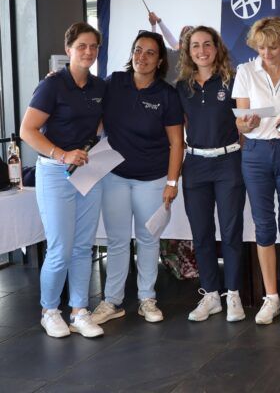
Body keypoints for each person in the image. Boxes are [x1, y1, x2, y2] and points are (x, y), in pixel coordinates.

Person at [91, 30, 184, 325]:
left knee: (147, 238)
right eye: (137, 50)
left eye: (150, 53)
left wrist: (172, 182)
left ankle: (147, 298)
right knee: (117, 240)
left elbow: (177, 143)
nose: (142, 57)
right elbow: (90, 109)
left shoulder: (166, 95)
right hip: (114, 176)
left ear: (160, 61)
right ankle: (112, 301)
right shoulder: (114, 83)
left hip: (152, 178)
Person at [20, 22, 106, 338]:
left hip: (88, 172)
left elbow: (99, 124)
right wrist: (62, 154)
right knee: (60, 248)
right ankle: (50, 310)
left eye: (93, 46)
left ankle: (79, 311)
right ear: (68, 49)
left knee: (83, 245)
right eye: (82, 46)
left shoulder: (99, 87)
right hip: (55, 173)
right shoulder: (52, 85)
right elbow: (27, 130)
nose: (88, 51)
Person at [232, 17, 280, 325]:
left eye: (273, 47)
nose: (266, 53)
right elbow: (240, 121)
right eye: (261, 47)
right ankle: (271, 297)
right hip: (255, 153)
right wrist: (246, 123)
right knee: (263, 226)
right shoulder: (245, 71)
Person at [175, 26, 247, 323]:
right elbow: (179, 127)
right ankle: (211, 295)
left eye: (207, 44)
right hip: (195, 166)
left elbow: (244, 125)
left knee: (230, 232)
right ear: (188, 52)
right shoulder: (182, 87)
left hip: (228, 163)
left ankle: (233, 294)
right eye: (195, 45)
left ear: (217, 48)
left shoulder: (233, 80)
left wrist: (235, 151)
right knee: (201, 233)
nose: (202, 50)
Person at [148, 11, 191, 82]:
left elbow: (154, 46)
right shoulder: (195, 61)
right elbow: (171, 40)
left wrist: (154, 24)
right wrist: (157, 22)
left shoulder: (171, 54)